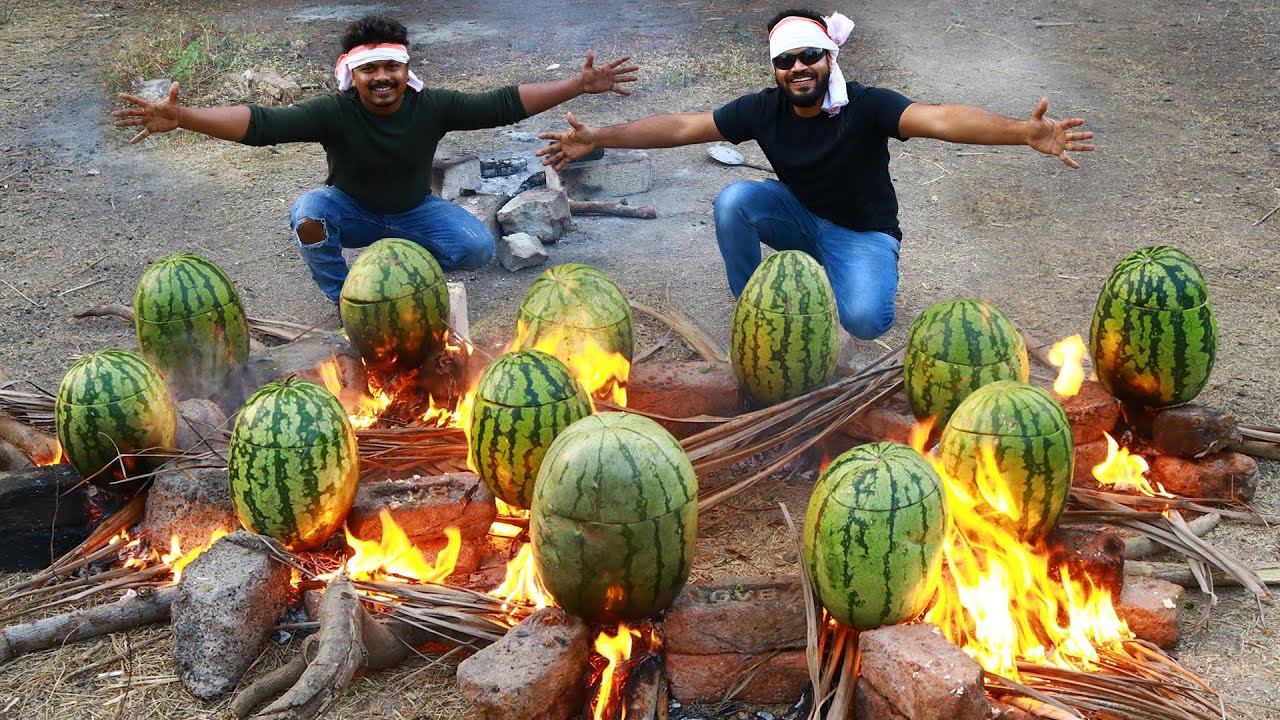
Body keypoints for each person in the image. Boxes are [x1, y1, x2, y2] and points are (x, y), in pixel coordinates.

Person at [537, 8, 1095, 341]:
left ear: (829, 58)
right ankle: (755, 309)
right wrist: (599, 137)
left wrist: (1023, 131)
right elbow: (684, 127)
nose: (798, 67)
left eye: (809, 56)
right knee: (734, 201)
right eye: (786, 60)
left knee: (867, 322)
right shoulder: (764, 109)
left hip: (862, 232)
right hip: (800, 216)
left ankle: (844, 271)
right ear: (776, 71)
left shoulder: (869, 105)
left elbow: (942, 118)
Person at [113, 14, 638, 303]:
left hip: (415, 213)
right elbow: (261, 125)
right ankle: (348, 302)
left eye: (392, 67)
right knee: (309, 213)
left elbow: (503, 103)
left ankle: (402, 280)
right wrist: (185, 117)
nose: (382, 78)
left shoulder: (432, 106)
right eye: (370, 70)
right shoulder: (334, 113)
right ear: (352, 75)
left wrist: (578, 85)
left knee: (477, 247)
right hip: (353, 212)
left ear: (405, 70)